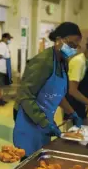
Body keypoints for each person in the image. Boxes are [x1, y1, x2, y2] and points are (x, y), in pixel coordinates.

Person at [13, 22, 83, 157]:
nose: (74, 49)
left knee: (42, 160)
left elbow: (56, 93)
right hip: (30, 120)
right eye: (72, 44)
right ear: (58, 40)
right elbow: (25, 95)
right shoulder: (43, 62)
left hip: (45, 121)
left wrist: (72, 113)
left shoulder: (63, 62)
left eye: (76, 46)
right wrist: (44, 123)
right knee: (29, 163)